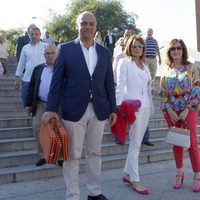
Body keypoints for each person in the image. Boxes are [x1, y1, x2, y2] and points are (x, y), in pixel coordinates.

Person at [41, 11, 117, 200]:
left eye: (91, 24)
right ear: (77, 26)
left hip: (99, 110)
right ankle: (73, 195)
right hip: (74, 110)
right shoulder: (66, 49)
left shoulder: (104, 52)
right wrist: (51, 108)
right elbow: (56, 82)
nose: (88, 27)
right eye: (84, 23)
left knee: (95, 153)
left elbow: (109, 83)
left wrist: (113, 109)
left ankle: (94, 192)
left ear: (96, 27)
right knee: (72, 155)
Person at [160, 38, 200, 192]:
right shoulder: (166, 71)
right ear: (169, 52)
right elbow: (163, 92)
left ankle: (197, 175)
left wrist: (186, 109)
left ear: (183, 50)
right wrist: (169, 109)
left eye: (179, 48)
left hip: (188, 109)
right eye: (173, 49)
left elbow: (197, 89)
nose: (176, 51)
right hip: (170, 111)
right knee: (177, 141)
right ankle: (179, 173)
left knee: (191, 142)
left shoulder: (191, 68)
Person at [116, 35, 154, 195]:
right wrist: (119, 107)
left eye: (140, 46)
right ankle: (135, 179)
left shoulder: (144, 66)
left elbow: (146, 88)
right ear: (129, 47)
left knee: (137, 142)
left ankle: (126, 173)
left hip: (146, 107)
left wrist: (153, 98)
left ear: (143, 48)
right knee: (135, 144)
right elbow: (120, 85)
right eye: (134, 46)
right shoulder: (124, 63)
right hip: (133, 108)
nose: (137, 48)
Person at [25, 45, 63, 166]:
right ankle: (43, 155)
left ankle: (60, 157)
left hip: (59, 104)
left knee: (59, 129)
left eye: (53, 53)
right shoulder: (38, 69)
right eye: (48, 53)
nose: (50, 55)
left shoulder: (63, 69)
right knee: (37, 127)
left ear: (56, 54)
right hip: (41, 103)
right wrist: (28, 104)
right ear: (44, 55)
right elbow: (31, 87)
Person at [14, 27, 47, 108]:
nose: (34, 36)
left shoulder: (46, 46)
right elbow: (21, 64)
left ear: (40, 35)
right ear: (29, 35)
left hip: (42, 79)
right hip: (27, 79)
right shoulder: (25, 48)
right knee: (26, 103)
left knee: (41, 104)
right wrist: (17, 79)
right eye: (32, 34)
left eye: (36, 34)